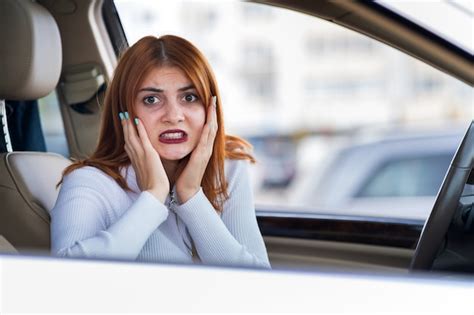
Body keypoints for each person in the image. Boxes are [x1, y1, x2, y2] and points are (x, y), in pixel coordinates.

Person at [50, 35, 270, 269]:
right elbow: (67, 277)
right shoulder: (89, 182)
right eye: (152, 99)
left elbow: (259, 282)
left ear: (210, 107)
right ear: (125, 111)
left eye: (189, 97)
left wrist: (191, 196)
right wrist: (153, 197)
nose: (174, 115)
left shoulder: (229, 167)